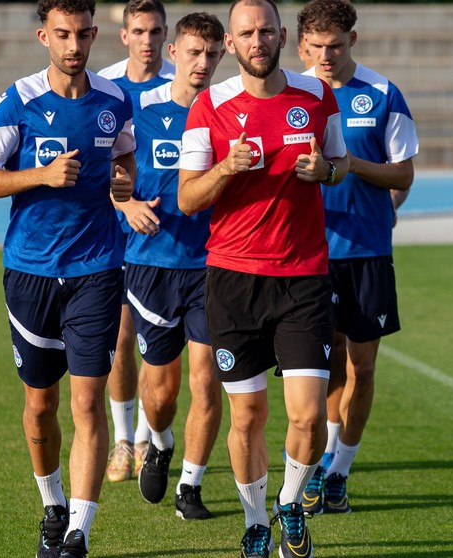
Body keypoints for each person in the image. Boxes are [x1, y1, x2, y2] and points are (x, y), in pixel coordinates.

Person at [177, 0, 349, 555]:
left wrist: (325, 171)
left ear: (282, 36)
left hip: (303, 278)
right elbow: (185, 198)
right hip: (233, 280)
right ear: (231, 43)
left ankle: (290, 505)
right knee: (247, 416)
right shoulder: (209, 105)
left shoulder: (318, 96)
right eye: (246, 33)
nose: (257, 41)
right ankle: (255, 522)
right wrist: (227, 166)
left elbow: (340, 164)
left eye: (266, 31)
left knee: (306, 418)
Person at [0, 0, 137, 556]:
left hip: (97, 271)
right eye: (63, 35)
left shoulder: (114, 100)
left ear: (94, 36)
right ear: (44, 35)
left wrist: (122, 185)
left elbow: (125, 160)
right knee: (40, 405)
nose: (74, 46)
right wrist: (40, 175)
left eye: (84, 35)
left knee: (88, 404)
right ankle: (52, 503)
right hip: (31, 272)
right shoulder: (17, 101)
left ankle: (77, 534)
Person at [296, 0, 418, 516]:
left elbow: (402, 175)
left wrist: (347, 166)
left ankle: (340, 471)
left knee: (361, 368)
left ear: (353, 41)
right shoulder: (293, 93)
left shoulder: (383, 93)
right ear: (302, 44)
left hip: (366, 251)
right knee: (321, 370)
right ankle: (319, 463)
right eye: (317, 46)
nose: (327, 55)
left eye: (336, 45)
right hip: (305, 254)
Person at [115, 11, 227, 520]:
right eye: (193, 52)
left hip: (212, 264)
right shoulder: (139, 107)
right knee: (160, 393)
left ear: (222, 54)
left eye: (211, 54)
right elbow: (113, 174)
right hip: (151, 265)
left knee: (206, 380)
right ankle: (157, 442)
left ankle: (191, 486)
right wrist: (125, 205)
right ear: (174, 52)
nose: (202, 63)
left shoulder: (228, 111)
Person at [97, 0, 176, 483]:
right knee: (121, 340)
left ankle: (149, 437)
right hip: (112, 235)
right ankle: (123, 440)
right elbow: (93, 161)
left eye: (155, 31)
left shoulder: (180, 85)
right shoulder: (105, 87)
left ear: (165, 36)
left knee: (155, 348)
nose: (147, 40)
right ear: (124, 35)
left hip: (167, 240)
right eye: (138, 31)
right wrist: (124, 204)